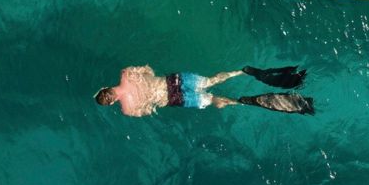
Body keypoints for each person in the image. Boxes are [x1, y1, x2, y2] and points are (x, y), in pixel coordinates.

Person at [95, 65, 314, 116]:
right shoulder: (126, 74)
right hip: (172, 81)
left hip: (173, 98)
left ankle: (243, 101)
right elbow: (148, 68)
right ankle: (242, 72)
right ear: (105, 87)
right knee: (209, 81)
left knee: (213, 100)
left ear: (112, 101)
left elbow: (148, 110)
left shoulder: (127, 108)